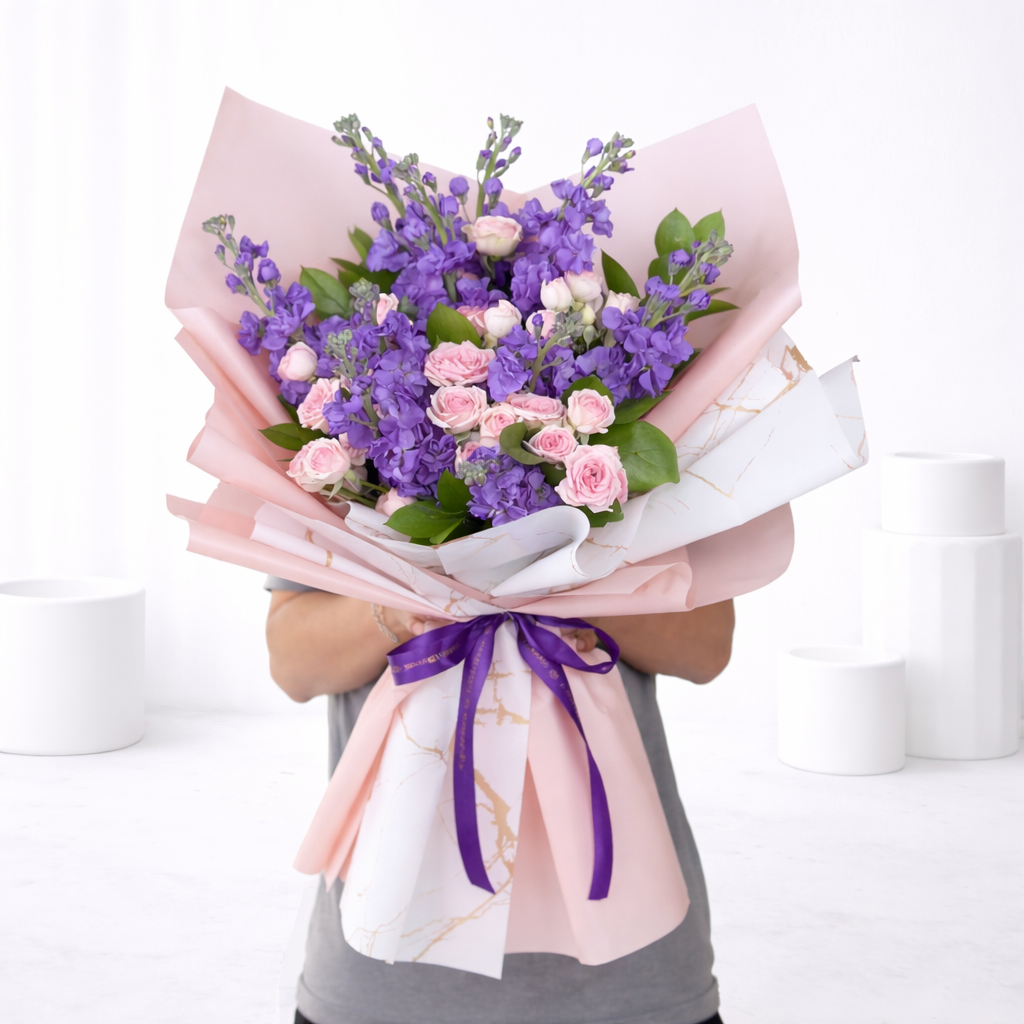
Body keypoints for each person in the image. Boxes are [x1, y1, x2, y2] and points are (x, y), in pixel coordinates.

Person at [265, 576, 735, 1024]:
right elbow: (292, 664)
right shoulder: (333, 488)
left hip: (631, 977)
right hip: (383, 967)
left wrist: (575, 591)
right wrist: (402, 602)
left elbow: (706, 647)